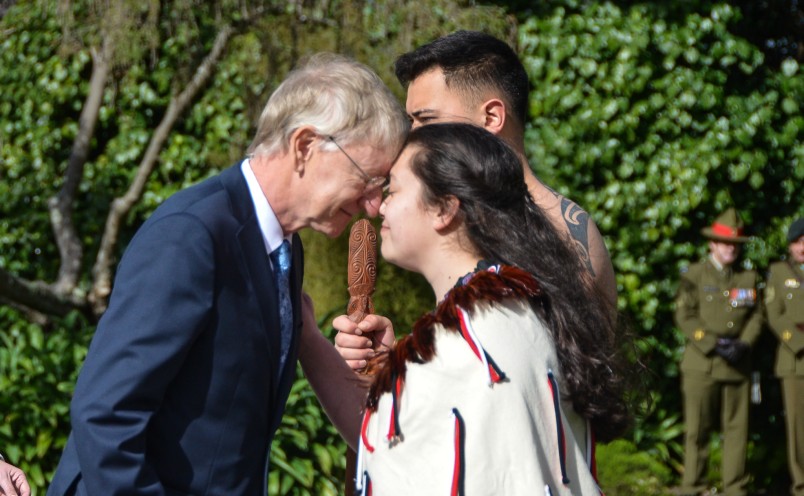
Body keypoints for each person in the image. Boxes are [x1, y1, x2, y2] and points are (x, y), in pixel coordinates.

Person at [46, 53, 408, 496]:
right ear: (305, 147)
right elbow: (105, 415)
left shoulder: (283, 245)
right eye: (367, 180)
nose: (374, 205)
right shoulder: (191, 236)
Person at [305, 123, 630, 494]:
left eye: (393, 190)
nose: (380, 206)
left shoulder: (471, 338)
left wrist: (306, 338)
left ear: (444, 208)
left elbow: (398, 461)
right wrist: (394, 367)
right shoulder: (510, 307)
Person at [334, 29, 617, 369]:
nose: (411, 138)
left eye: (427, 120)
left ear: (491, 118)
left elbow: (566, 383)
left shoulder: (562, 229)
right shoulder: (460, 219)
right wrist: (391, 366)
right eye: (411, 122)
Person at [674, 208, 763, 496]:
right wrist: (712, 343)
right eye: (725, 243)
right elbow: (684, 315)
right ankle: (694, 487)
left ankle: (734, 488)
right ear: (712, 243)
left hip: (737, 363)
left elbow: (757, 316)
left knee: (737, 431)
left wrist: (745, 343)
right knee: (697, 430)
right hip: (703, 363)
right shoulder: (695, 275)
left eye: (736, 245)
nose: (731, 249)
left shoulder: (749, 278)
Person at [765, 217, 804, 496]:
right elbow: (774, 314)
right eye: (797, 242)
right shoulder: (779, 273)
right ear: (790, 245)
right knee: (798, 428)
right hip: (795, 360)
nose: (802, 247)